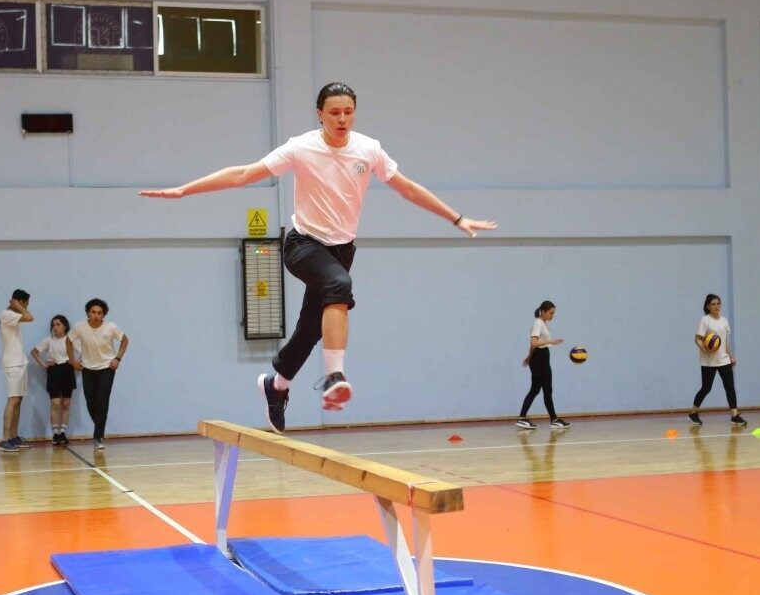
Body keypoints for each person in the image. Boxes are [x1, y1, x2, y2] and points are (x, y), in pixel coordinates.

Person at [140, 81, 497, 432]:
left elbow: (408, 188)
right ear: (320, 115)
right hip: (303, 245)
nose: (342, 119)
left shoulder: (368, 149)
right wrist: (185, 190)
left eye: (349, 113)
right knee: (339, 285)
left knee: (312, 327)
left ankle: (276, 385)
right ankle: (333, 377)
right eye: (334, 113)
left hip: (342, 249)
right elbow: (245, 174)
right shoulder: (302, 148)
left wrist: (457, 217)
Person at [67, 298, 128, 450]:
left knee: (102, 401)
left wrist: (117, 358)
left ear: (103, 315)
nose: (96, 315)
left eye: (99, 313)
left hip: (107, 368)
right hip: (88, 368)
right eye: (93, 312)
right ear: (88, 313)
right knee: (90, 401)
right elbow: (68, 340)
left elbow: (125, 340)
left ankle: (98, 436)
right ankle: (99, 428)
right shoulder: (80, 327)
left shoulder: (110, 327)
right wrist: (72, 361)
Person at [689, 293, 746, 427]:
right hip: (709, 361)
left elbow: (725, 342)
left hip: (724, 360)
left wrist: (731, 355)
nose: (716, 306)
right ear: (708, 306)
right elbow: (697, 338)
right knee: (706, 388)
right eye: (713, 304)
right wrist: (704, 348)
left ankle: (734, 416)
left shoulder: (724, 321)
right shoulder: (705, 321)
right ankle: (693, 413)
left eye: (718, 303)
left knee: (730, 387)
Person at [516, 301, 571, 430]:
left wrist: (529, 357)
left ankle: (523, 418)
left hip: (539, 358)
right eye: (551, 313)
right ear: (544, 311)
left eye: (554, 313)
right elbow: (535, 342)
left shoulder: (542, 324)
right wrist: (552, 341)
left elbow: (533, 345)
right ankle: (553, 420)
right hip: (540, 359)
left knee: (536, 390)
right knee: (546, 390)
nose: (553, 315)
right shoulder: (538, 323)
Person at [31, 314, 77, 445]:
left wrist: (76, 362)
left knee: (66, 403)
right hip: (54, 371)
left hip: (68, 370)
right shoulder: (48, 340)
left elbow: (84, 350)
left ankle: (63, 431)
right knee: (56, 403)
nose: (55, 327)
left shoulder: (70, 340)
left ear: (65, 326)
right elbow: (34, 352)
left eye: (58, 324)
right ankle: (55, 433)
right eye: (53, 325)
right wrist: (44, 363)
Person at [0, 289, 34, 453]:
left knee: (18, 400)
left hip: (19, 362)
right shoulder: (6, 314)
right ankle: (5, 439)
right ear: (20, 301)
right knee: (12, 400)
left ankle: (13, 436)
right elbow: (29, 317)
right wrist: (18, 306)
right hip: (12, 364)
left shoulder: (12, 317)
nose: (27, 307)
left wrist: (18, 306)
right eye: (26, 303)